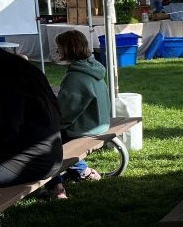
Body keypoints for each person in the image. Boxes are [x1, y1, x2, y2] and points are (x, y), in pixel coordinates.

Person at [47, 30, 112, 198]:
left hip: (86, 128)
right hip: (100, 123)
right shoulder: (93, 68)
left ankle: (56, 187)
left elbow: (64, 114)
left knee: (41, 142)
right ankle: (83, 171)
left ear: (68, 49)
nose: (57, 52)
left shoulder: (76, 77)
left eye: (59, 48)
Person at [0, 52, 64, 188]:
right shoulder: (23, 68)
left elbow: (7, 129)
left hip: (30, 160)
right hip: (46, 154)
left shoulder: (6, 78)